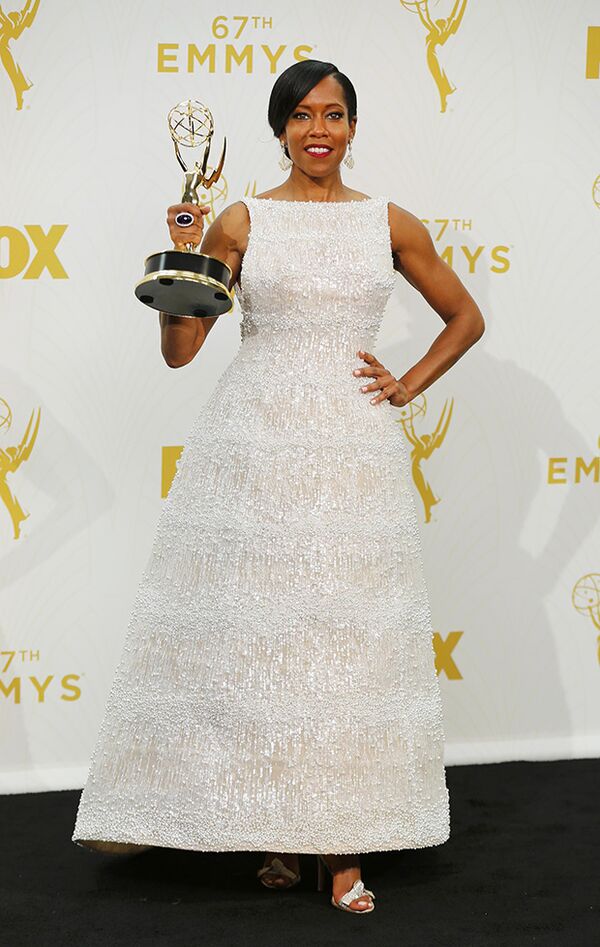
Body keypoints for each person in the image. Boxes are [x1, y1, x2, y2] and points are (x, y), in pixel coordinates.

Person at [71, 59, 485, 916]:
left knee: (342, 642)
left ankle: (341, 849)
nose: (318, 129)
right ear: (280, 129)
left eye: (333, 114)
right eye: (301, 115)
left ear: (353, 127)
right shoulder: (241, 218)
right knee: (257, 639)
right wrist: (188, 255)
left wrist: (406, 383)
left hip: (351, 451)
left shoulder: (388, 221)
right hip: (254, 445)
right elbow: (181, 351)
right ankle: (273, 831)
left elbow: (466, 316)